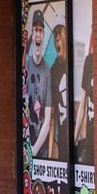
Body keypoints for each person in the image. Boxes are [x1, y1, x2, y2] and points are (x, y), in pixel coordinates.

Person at [26, 9, 53, 159]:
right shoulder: (25, 68)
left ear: (43, 36)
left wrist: (35, 149)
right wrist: (29, 149)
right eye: (35, 30)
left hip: (41, 150)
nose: (38, 34)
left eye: (40, 30)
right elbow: (23, 112)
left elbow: (47, 120)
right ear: (32, 34)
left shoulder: (47, 71)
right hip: (26, 146)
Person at [49, 13, 69, 161]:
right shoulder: (53, 71)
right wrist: (49, 157)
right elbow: (51, 118)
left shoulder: (75, 63)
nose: (57, 37)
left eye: (60, 31)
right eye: (54, 33)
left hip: (78, 142)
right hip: (62, 143)